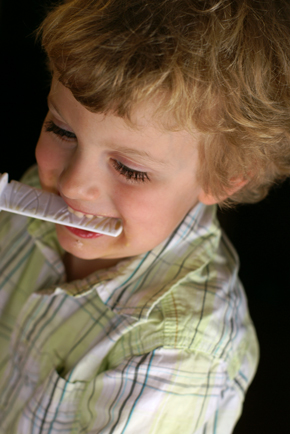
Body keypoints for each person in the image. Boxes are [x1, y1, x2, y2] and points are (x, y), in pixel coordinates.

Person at [0, 0, 290, 432]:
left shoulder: (180, 355)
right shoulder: (38, 201)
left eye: (130, 169)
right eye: (62, 130)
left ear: (226, 176)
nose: (73, 184)